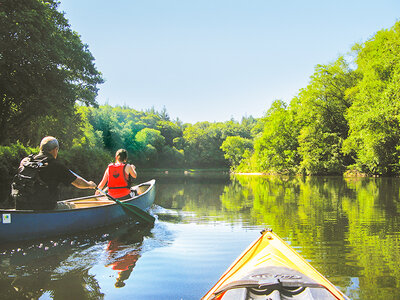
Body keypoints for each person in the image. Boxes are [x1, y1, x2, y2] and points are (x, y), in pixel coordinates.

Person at [11, 136, 97, 210]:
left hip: (21, 206)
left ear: (40, 149)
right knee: (72, 206)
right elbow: (78, 183)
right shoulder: (56, 166)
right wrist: (89, 185)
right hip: (45, 207)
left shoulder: (25, 161)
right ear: (55, 150)